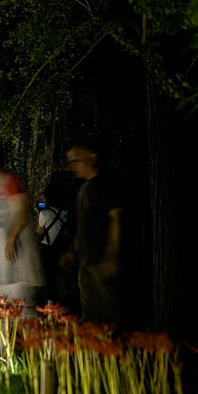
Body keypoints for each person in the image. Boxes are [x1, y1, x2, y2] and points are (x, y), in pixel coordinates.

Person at [0, 138, 43, 311]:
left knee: (16, 311)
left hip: (15, 258)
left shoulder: (9, 181)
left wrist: (11, 238)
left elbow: (21, 211)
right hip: (0, 263)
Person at [61, 140, 125, 327]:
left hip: (102, 261)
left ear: (92, 157)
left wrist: (112, 256)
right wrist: (72, 250)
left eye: (76, 160)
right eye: (70, 161)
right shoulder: (83, 188)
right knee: (90, 315)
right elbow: (83, 225)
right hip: (86, 262)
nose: (73, 166)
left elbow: (116, 220)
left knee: (110, 316)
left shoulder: (107, 184)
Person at [34, 184, 71, 305]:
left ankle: (51, 307)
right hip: (62, 250)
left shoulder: (45, 213)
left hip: (47, 250)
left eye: (44, 198)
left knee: (49, 279)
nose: (43, 201)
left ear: (49, 198)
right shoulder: (68, 212)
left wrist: (39, 214)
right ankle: (68, 303)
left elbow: (39, 233)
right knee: (65, 277)